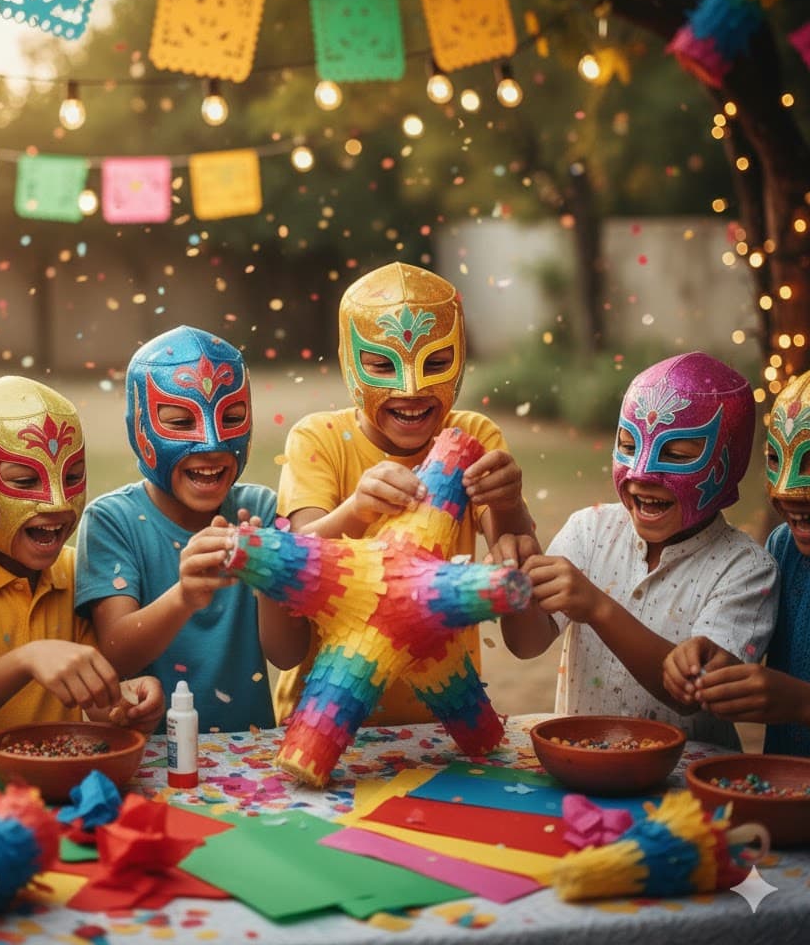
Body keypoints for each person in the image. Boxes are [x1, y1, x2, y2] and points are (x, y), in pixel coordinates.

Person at [273, 262, 536, 726]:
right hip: (324, 717)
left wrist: (509, 502)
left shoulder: (474, 434)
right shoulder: (318, 438)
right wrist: (356, 510)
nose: (410, 388)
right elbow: (294, 560)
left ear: (460, 356)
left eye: (436, 363)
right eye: (381, 364)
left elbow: (510, 558)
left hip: (439, 721)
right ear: (349, 360)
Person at [501, 351, 778, 748]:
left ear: (725, 465)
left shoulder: (747, 570)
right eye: (628, 446)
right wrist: (515, 589)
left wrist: (597, 608)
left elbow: (691, 696)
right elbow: (527, 645)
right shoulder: (589, 529)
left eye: (677, 454)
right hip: (584, 765)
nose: (640, 473)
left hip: (685, 788)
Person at [0, 375, 163, 748]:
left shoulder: (77, 571)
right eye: (25, 480)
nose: (57, 502)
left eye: (72, 476)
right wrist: (27, 660)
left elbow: (97, 704)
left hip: (49, 784)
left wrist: (127, 699)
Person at [74, 325, 306, 733]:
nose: (212, 444)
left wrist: (271, 569)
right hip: (150, 761)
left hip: (248, 758)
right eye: (181, 422)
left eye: (232, 417)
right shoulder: (111, 520)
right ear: (140, 426)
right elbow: (114, 656)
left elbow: (287, 655)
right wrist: (184, 596)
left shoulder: (264, 509)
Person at [663, 369, 810, 755]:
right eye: (776, 458)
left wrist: (802, 703)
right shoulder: (785, 547)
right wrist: (716, 662)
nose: (786, 490)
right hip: (785, 793)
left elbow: (792, 696)